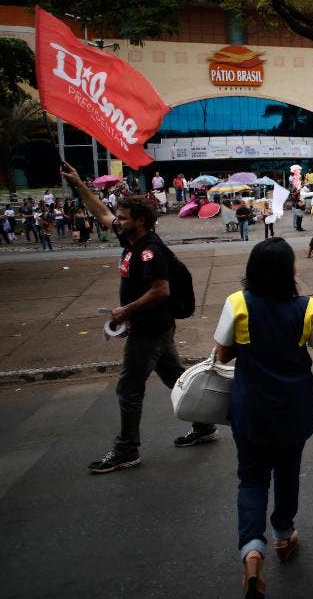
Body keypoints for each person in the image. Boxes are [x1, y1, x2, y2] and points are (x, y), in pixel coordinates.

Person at [213, 238, 313, 599]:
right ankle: (284, 536)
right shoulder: (310, 308)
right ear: (289, 272)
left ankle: (252, 553)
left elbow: (222, 355)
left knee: (252, 478)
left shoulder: (237, 303)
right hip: (293, 409)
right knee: (287, 471)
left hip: (251, 409)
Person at [60, 161, 218, 474]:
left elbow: (161, 290)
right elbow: (101, 214)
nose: (116, 221)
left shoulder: (150, 250)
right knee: (175, 378)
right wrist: (79, 183)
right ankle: (204, 425)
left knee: (128, 389)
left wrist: (125, 310)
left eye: (122, 218)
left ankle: (126, 450)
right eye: (118, 217)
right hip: (156, 328)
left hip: (149, 330)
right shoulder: (130, 239)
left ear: (140, 221)